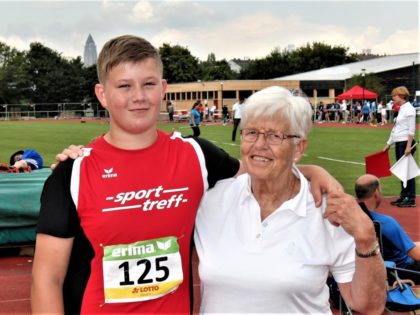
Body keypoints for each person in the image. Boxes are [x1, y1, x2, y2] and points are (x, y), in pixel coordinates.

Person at [31, 35, 341, 315]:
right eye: (124, 86)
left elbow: (262, 166)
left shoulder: (198, 156)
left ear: (163, 89)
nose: (138, 96)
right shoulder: (73, 173)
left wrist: (314, 171)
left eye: (149, 84)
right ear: (102, 94)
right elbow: (47, 278)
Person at [194, 86, 386, 314]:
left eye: (275, 135)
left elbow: (369, 306)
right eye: (251, 132)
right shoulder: (211, 200)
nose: (259, 144)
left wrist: (365, 237)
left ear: (298, 148)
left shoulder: (329, 210)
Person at [355, 174, 420, 283]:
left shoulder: (352, 219)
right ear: (376, 193)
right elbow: (416, 255)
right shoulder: (385, 222)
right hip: (401, 272)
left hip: (372, 271)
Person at [384, 86, 417, 208]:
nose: (393, 98)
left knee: (407, 171)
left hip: (405, 143)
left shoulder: (409, 109)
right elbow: (395, 129)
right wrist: (388, 144)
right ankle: (404, 195)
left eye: (395, 95)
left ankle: (410, 198)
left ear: (402, 96)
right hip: (400, 143)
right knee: (402, 171)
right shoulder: (402, 109)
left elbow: (411, 130)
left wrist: (408, 147)